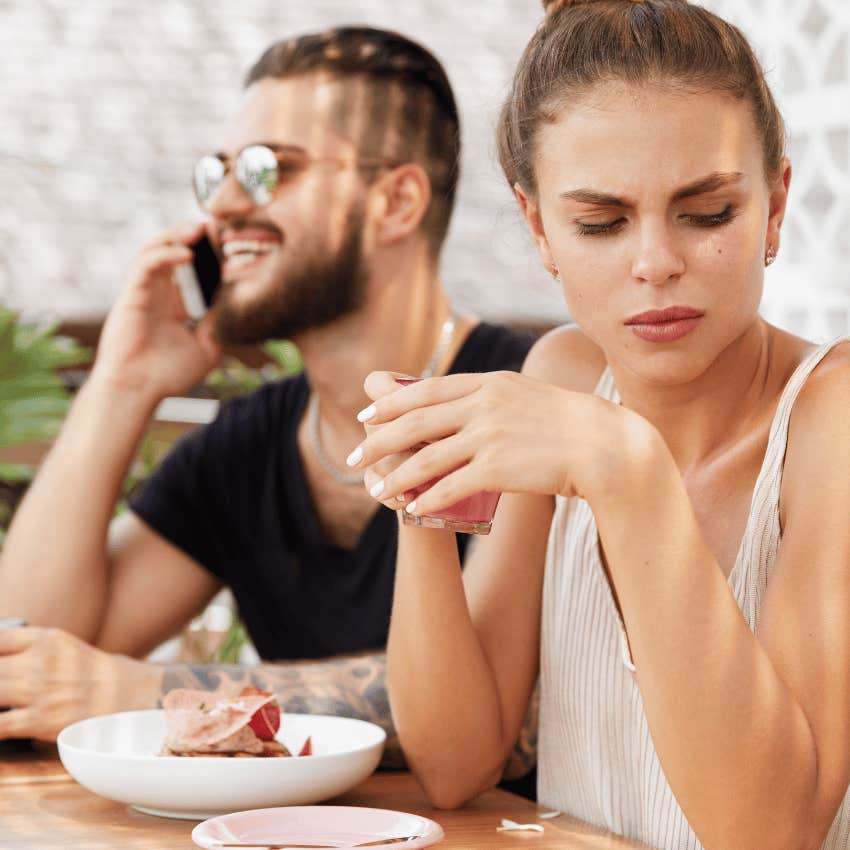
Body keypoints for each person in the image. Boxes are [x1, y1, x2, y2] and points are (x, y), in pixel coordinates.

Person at [352, 1, 850, 846]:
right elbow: (457, 762)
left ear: (774, 208)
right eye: (601, 223)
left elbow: (769, 831)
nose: (655, 263)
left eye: (708, 213)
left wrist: (627, 469)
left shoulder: (832, 419)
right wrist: (421, 491)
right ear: (540, 227)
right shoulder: (567, 375)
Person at [0, 25, 536, 777]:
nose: (222, 205)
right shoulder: (246, 447)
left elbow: (492, 713)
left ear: (395, 202)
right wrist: (122, 386)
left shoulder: (527, 406)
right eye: (214, 173)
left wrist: (146, 692)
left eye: (265, 169)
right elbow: (24, 661)